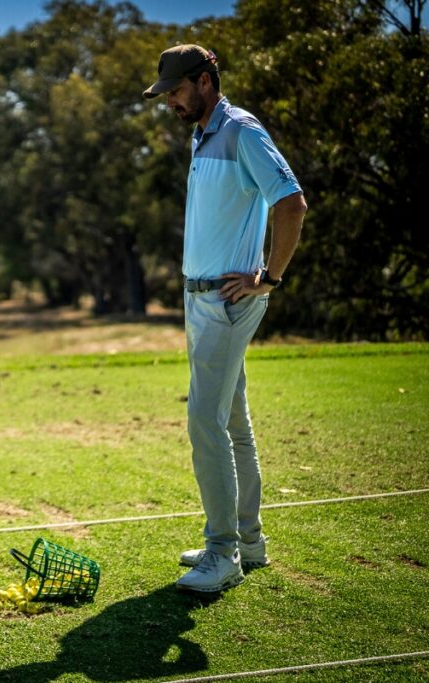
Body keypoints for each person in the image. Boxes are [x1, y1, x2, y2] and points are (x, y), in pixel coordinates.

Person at [143, 45, 307, 592]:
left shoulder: (240, 129)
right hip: (203, 300)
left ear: (206, 80)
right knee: (231, 422)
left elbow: (291, 202)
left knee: (204, 422)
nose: (169, 102)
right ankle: (248, 542)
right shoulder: (204, 133)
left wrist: (270, 277)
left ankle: (223, 553)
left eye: (175, 91)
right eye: (165, 94)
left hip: (229, 301)